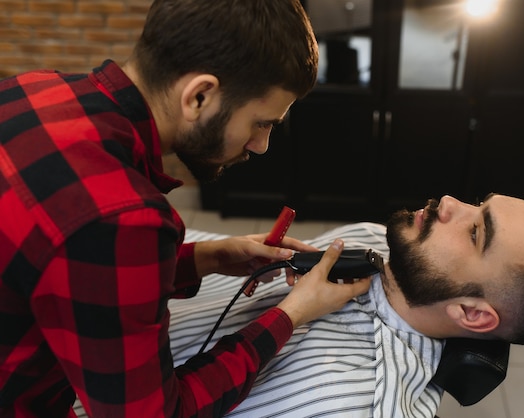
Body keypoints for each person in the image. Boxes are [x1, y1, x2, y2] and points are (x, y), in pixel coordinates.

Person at [0, 1, 372, 417]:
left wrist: (207, 257)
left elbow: (71, 269)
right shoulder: (120, 219)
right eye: (262, 123)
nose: (261, 145)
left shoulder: (30, 89)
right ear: (199, 96)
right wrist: (291, 314)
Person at [115, 193, 524, 418]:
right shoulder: (372, 242)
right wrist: (206, 257)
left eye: (474, 232)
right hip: (119, 320)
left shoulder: (363, 406)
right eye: (476, 203)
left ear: (472, 314)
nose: (448, 202)